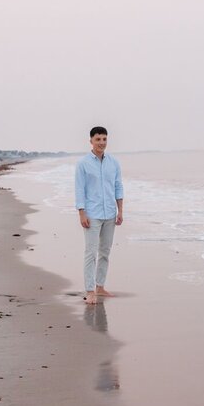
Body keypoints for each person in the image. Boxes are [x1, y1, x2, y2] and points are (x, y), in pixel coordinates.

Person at [75, 126, 124, 304]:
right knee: (91, 252)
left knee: (105, 252)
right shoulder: (83, 164)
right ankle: (90, 290)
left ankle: (100, 287)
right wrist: (82, 213)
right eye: (98, 139)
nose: (101, 142)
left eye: (104, 139)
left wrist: (120, 211)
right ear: (91, 141)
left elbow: (118, 186)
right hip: (92, 214)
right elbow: (79, 190)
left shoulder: (114, 162)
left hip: (110, 213)